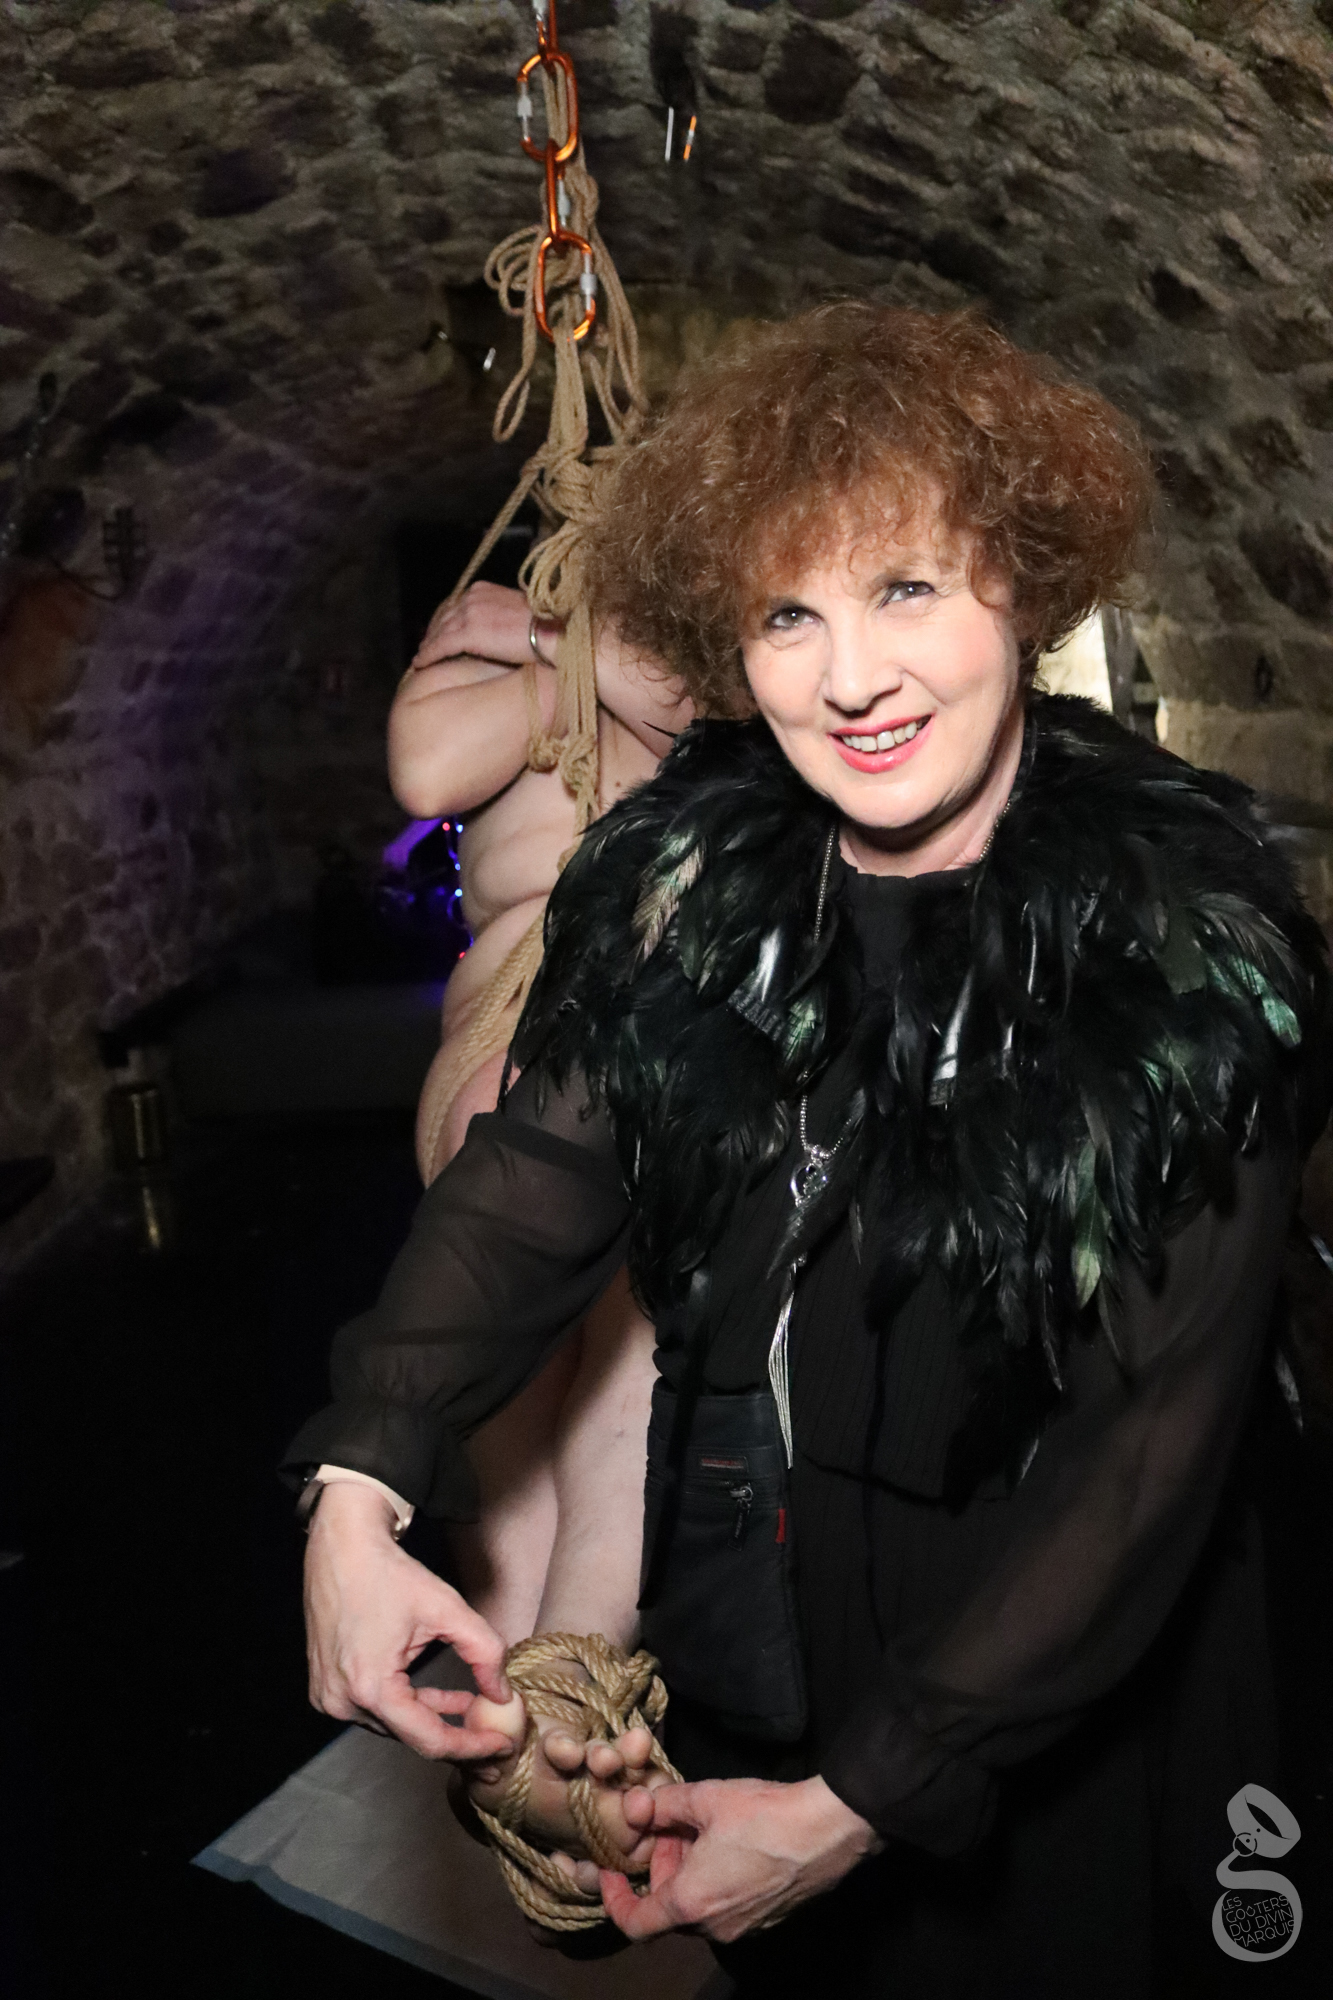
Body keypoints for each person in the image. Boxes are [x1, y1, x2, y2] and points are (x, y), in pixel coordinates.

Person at [286, 304, 1330, 1995]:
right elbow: (533, 1183)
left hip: (1067, 1662)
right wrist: (358, 1492)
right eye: (789, 613)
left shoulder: (1183, 961)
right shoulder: (692, 887)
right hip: (775, 1616)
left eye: (904, 589)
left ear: (1020, 583)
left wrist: (863, 1800)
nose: (848, 678)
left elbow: (1147, 1451)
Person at [383, 585, 691, 1648]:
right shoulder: (472, 639)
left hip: (641, 1037)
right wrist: (566, 664)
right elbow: (424, 769)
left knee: (624, 1375)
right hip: (508, 1030)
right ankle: (532, 1675)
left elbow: (711, 707)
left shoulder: (702, 651)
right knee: (506, 1390)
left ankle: (561, 1676)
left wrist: (549, 644)